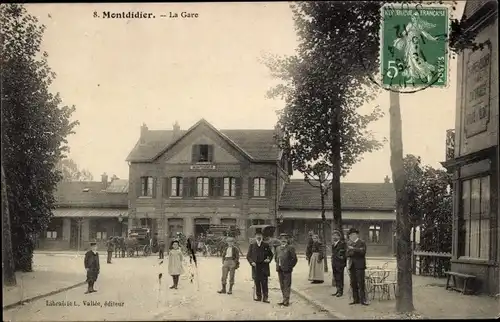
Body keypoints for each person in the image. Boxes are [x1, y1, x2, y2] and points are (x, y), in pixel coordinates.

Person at [246, 231, 273, 303]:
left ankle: (265, 298)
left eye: (260, 235)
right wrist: (251, 262)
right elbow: (248, 256)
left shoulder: (266, 245)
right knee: (257, 282)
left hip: (264, 266)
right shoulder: (252, 245)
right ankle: (258, 296)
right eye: (257, 235)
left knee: (264, 282)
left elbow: (271, 255)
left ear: (262, 237)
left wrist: (269, 259)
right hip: (255, 266)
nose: (258, 237)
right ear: (255, 237)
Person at [346, 227, 368, 306]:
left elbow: (363, 252)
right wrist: (352, 251)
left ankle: (363, 300)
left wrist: (354, 249)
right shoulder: (349, 243)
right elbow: (348, 254)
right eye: (350, 235)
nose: (351, 236)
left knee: (361, 283)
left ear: (356, 235)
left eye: (353, 234)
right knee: (353, 283)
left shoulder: (362, 242)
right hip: (352, 265)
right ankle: (356, 299)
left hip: (360, 265)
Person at [275, 233, 297, 307]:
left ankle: (286, 301)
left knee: (287, 285)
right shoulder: (277, 248)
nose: (283, 240)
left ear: (287, 240)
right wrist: (278, 264)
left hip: (287, 269)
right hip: (280, 269)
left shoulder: (290, 248)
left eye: (285, 239)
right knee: (282, 285)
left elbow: (294, 259)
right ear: (280, 240)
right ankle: (284, 299)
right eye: (281, 239)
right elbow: (276, 258)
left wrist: (290, 266)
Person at [331, 229, 347, 297]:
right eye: (333, 236)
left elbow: (344, 254)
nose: (334, 237)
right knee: (336, 277)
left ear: (339, 237)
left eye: (336, 236)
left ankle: (341, 291)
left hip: (340, 264)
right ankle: (337, 290)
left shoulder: (342, 244)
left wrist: (343, 263)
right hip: (334, 263)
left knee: (340, 277)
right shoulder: (333, 244)